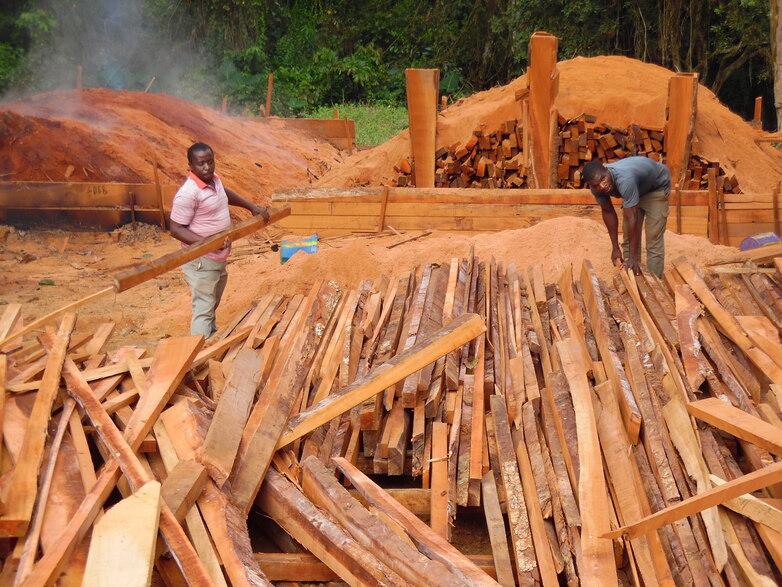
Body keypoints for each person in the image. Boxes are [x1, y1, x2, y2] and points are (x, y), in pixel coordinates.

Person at [169, 142, 269, 337]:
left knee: (212, 302)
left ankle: (211, 338)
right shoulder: (188, 194)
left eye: (210, 162)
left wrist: (251, 207)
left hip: (217, 256)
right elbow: (175, 229)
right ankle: (199, 354)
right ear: (190, 166)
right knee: (204, 309)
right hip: (201, 260)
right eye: (201, 164)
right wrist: (209, 244)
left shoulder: (214, 180)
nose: (207, 167)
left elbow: (225, 194)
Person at [583, 157, 671, 276]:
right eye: (596, 185)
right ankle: (633, 276)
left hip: (656, 187)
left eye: (603, 179)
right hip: (636, 189)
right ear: (591, 185)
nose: (602, 186)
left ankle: (655, 282)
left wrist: (633, 258)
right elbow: (608, 212)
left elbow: (632, 217)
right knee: (628, 237)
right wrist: (615, 248)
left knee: (653, 237)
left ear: (607, 170)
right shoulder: (596, 188)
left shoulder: (625, 179)